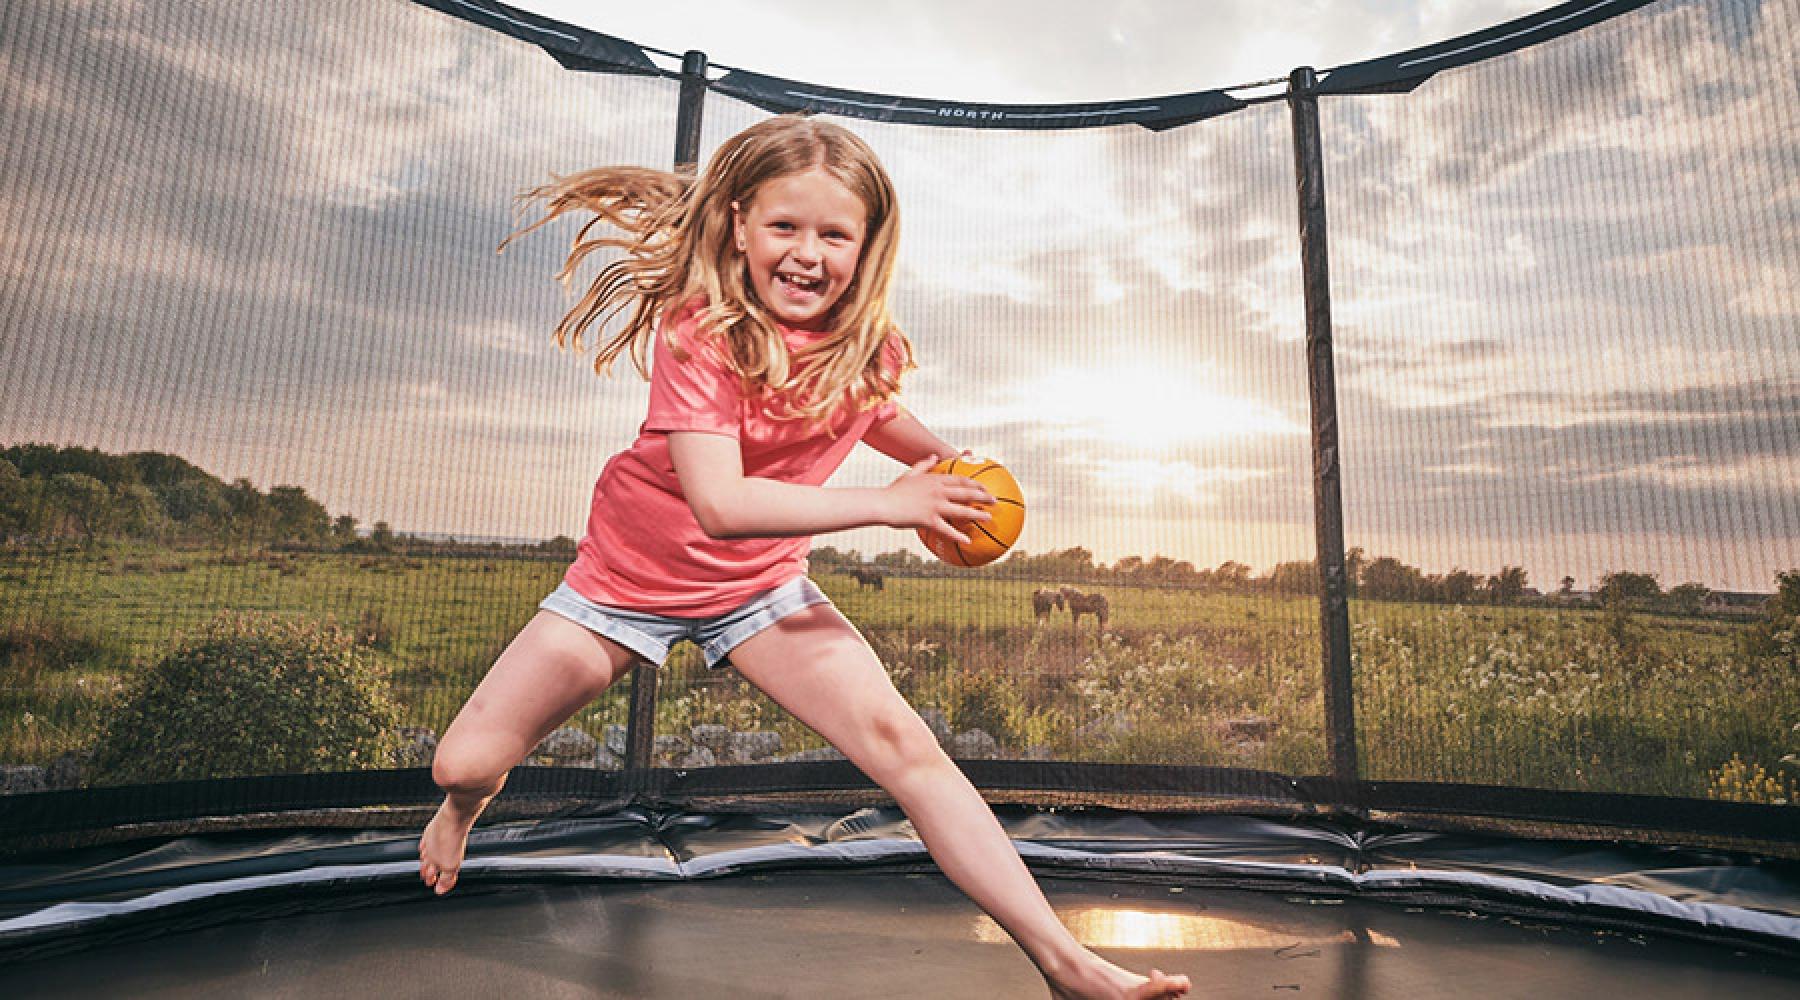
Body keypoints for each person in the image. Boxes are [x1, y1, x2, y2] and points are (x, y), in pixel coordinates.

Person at [417, 114, 1190, 1000]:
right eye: (786, 227)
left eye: (835, 234)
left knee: (908, 747)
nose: (807, 254)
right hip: (621, 586)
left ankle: (1067, 963)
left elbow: (875, 415)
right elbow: (723, 502)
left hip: (758, 591)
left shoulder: (871, 350)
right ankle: (465, 810)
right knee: (464, 761)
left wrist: (950, 477)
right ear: (740, 224)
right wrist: (894, 506)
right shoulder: (698, 336)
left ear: (867, 247)